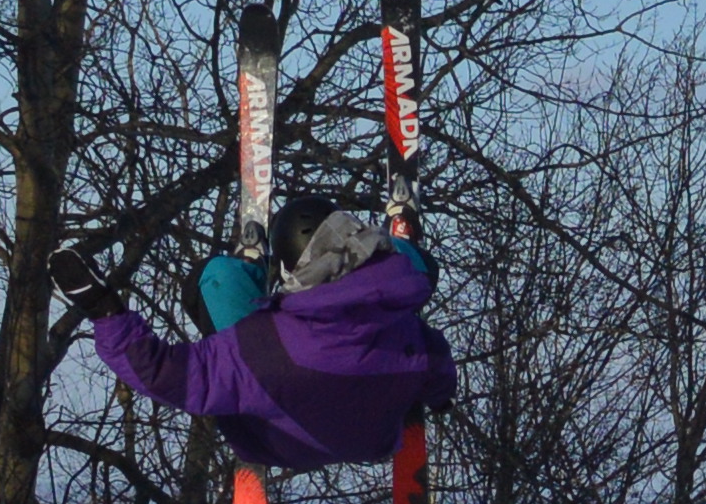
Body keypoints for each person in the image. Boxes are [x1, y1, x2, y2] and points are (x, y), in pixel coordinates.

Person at [82, 199, 453, 474]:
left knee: (216, 277)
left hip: (281, 443)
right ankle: (404, 248)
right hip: (372, 439)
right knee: (408, 266)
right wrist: (437, 400)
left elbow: (164, 374)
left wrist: (106, 312)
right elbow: (440, 377)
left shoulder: (263, 348)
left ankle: (247, 269)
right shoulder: (411, 335)